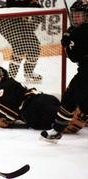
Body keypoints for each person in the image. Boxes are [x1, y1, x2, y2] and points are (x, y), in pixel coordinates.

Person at [41, 0, 88, 142]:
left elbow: (74, 57)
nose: (76, 18)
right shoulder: (80, 31)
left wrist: (67, 44)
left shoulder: (81, 31)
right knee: (83, 102)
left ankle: (56, 131)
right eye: (75, 15)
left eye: (80, 15)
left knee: (70, 98)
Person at [0, 65, 60, 130]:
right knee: (65, 113)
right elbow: (13, 100)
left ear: (3, 74)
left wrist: (1, 116)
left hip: (35, 109)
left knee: (62, 123)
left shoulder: (3, 88)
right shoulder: (11, 81)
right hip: (46, 98)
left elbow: (11, 115)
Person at [0, 0, 43, 82]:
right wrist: (26, 10)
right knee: (19, 47)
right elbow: (11, 4)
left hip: (20, 21)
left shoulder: (36, 9)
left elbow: (34, 23)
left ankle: (28, 73)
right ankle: (11, 76)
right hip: (7, 19)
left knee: (34, 46)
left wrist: (30, 15)